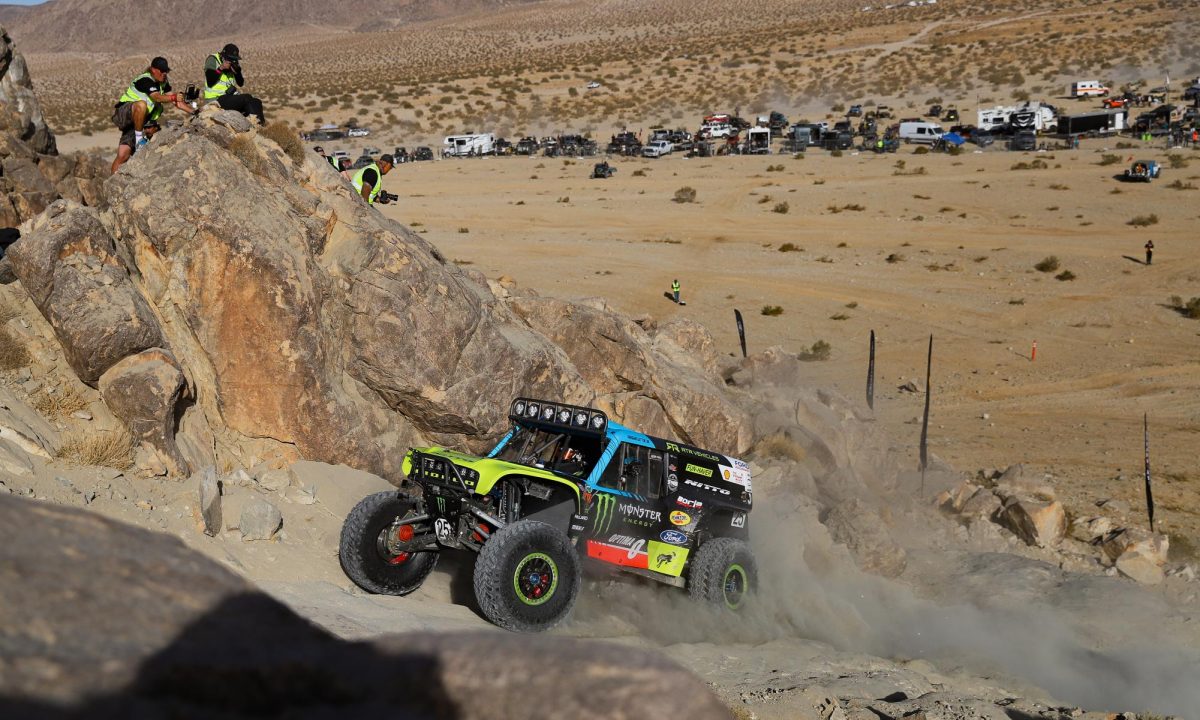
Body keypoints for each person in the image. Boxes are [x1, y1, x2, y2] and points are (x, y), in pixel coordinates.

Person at [111, 57, 191, 173]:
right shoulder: (145, 80)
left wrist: (194, 111)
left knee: (123, 154)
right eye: (162, 71)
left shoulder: (163, 82)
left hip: (139, 120)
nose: (164, 74)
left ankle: (114, 182)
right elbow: (157, 97)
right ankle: (139, 140)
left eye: (166, 71)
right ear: (153, 70)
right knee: (142, 105)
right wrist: (173, 97)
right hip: (125, 113)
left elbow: (175, 101)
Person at [204, 43, 265, 124]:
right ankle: (255, 125)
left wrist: (237, 72)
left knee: (256, 101)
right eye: (231, 59)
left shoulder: (233, 63)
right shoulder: (213, 59)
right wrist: (221, 68)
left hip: (229, 97)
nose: (233, 61)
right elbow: (210, 81)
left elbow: (241, 83)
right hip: (215, 99)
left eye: (234, 59)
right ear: (224, 56)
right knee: (246, 98)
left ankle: (260, 126)